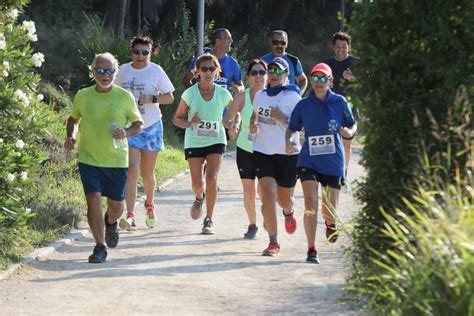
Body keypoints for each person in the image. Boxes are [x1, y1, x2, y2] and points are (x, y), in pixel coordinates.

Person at [64, 53, 143, 263]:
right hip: (89, 158)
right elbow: (73, 119)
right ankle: (99, 247)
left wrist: (125, 132)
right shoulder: (83, 95)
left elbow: (138, 124)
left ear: (115, 73)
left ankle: (111, 223)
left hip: (116, 160)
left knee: (117, 207)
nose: (104, 75)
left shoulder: (124, 97)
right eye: (99, 70)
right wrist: (70, 136)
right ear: (92, 72)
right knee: (93, 200)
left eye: (109, 71)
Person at [286, 63, 357, 264]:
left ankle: (330, 223)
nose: (318, 82)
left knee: (329, 208)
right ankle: (311, 248)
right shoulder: (303, 105)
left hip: (333, 162)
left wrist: (349, 133)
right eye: (314, 78)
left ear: (330, 81)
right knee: (311, 203)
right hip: (308, 160)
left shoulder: (339, 102)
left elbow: (351, 124)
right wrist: (290, 142)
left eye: (323, 78)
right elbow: (292, 128)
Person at [115, 36, 175, 231]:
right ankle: (130, 215)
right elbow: (110, 91)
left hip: (151, 126)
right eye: (137, 52)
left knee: (147, 174)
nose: (140, 56)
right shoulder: (122, 70)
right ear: (131, 51)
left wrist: (152, 98)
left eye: (145, 52)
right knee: (131, 170)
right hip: (130, 126)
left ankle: (149, 204)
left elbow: (170, 97)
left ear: (150, 53)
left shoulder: (155, 71)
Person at [173, 54, 233, 235]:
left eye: (211, 69)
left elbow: (235, 112)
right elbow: (176, 119)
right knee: (198, 184)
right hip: (195, 140)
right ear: (197, 72)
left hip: (216, 139)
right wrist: (189, 123)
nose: (208, 72)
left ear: (217, 71)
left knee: (212, 179)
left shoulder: (223, 94)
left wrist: (233, 123)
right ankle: (199, 197)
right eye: (204, 69)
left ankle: (209, 219)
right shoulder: (190, 93)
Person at [250, 57, 301, 256]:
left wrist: (283, 118)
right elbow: (256, 118)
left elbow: (301, 126)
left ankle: (288, 212)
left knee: (284, 200)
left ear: (286, 75)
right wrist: (253, 126)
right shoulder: (260, 96)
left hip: (287, 153)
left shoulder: (293, 97)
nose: (274, 74)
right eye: (270, 70)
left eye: (279, 71)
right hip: (263, 151)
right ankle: (273, 241)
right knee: (268, 197)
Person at [223, 59, 268, 239]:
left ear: (267, 75)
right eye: (254, 73)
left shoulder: (273, 96)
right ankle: (253, 224)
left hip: (266, 150)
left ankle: (268, 215)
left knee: (263, 191)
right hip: (245, 149)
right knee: (249, 190)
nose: (258, 76)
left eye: (261, 72)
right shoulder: (242, 97)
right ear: (248, 77)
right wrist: (231, 126)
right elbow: (227, 118)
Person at [324, 31, 359, 186]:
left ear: (349, 48)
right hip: (329, 108)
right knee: (330, 143)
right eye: (338, 46)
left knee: (346, 143)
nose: (341, 49)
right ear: (333, 47)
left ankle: (343, 172)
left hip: (349, 109)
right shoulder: (326, 65)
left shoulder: (356, 63)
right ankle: (331, 172)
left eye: (344, 47)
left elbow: (368, 83)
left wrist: (353, 78)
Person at [182, 28, 244, 95]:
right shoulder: (201, 59)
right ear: (218, 42)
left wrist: (238, 88)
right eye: (227, 38)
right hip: (202, 104)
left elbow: (242, 86)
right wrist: (195, 96)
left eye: (230, 38)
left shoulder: (233, 63)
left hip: (223, 104)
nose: (231, 41)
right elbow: (186, 80)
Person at [261, 30, 307, 95]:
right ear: (271, 43)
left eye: (283, 43)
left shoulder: (294, 61)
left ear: (287, 44)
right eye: (275, 42)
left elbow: (303, 80)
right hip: (269, 99)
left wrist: (298, 94)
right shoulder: (263, 61)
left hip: (289, 101)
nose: (279, 45)